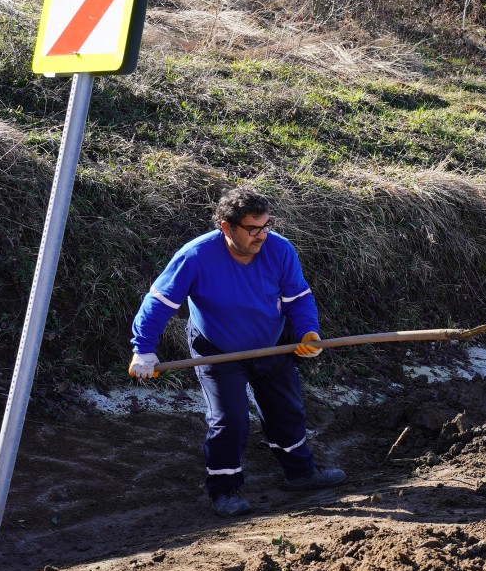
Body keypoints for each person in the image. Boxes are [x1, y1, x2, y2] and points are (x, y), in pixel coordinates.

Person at [127, 186, 345, 516]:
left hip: (271, 344)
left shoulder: (279, 250)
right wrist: (143, 349)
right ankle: (224, 489)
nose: (262, 235)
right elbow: (159, 303)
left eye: (266, 225)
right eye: (253, 228)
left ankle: (300, 473)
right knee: (230, 420)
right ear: (227, 227)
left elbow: (298, 299)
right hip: (218, 349)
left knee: (286, 411)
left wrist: (307, 332)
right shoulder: (197, 256)